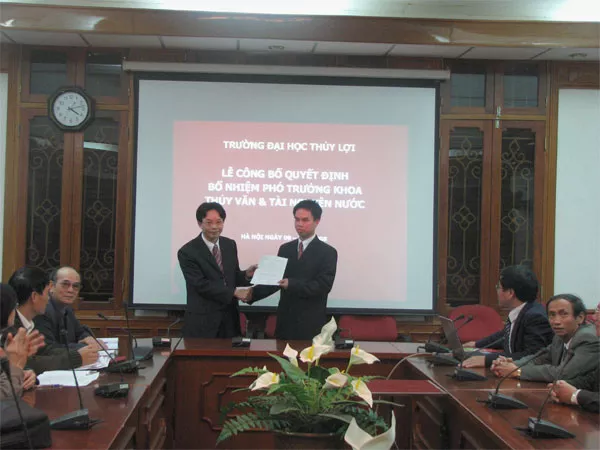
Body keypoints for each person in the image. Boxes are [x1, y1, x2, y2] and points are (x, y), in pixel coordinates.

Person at [252, 200, 338, 340]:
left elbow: (323, 286)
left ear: (317, 221)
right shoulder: (286, 249)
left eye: (305, 220)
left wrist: (291, 284)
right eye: (297, 219)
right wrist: (251, 294)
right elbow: (276, 281)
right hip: (285, 323)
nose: (299, 224)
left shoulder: (328, 252)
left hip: (310, 324)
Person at [178, 202, 256, 338]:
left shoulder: (229, 244)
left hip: (230, 321)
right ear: (199, 223)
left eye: (219, 222)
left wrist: (246, 275)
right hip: (203, 323)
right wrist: (233, 292)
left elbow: (231, 277)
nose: (214, 227)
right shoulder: (187, 252)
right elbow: (200, 285)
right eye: (209, 222)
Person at [7, 267, 99, 374]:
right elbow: (33, 361)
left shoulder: (28, 322)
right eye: (47, 293)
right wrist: (77, 357)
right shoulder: (9, 325)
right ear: (34, 296)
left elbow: (31, 361)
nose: (48, 298)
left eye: (75, 286)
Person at [491, 294, 599, 383]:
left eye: (564, 314)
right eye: (552, 315)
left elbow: (564, 373)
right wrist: (510, 365)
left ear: (580, 318)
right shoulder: (559, 336)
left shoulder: (588, 338)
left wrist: (517, 371)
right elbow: (539, 358)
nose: (556, 321)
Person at [462, 265, 553, 368]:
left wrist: (486, 360)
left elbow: (532, 356)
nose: (497, 291)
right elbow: (504, 336)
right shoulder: (521, 311)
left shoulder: (535, 317)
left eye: (498, 287)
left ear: (510, 293)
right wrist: (476, 344)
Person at [34, 266, 102, 350]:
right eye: (65, 284)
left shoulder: (67, 308)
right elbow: (49, 348)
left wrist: (88, 338)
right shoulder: (42, 310)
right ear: (51, 286)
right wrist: (85, 346)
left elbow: (80, 331)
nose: (71, 290)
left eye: (75, 286)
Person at [548, 302, 599, 413]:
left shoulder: (587, 339)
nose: (594, 318)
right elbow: (592, 380)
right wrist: (561, 386)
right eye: (596, 311)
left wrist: (575, 395)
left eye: (599, 312)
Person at [0, 284, 45, 399]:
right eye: (14, 306)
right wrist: (15, 367)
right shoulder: (9, 335)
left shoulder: (5, 336)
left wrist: (25, 374)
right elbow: (4, 395)